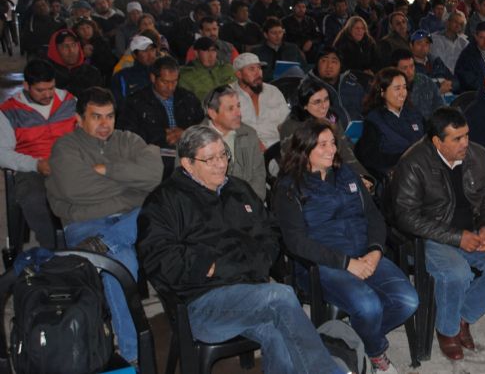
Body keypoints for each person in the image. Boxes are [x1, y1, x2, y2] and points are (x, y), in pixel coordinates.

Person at [137, 125, 345, 374]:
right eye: (209, 159)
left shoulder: (238, 189)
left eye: (223, 155)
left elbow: (270, 231)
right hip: (202, 303)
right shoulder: (165, 201)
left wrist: (260, 262)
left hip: (251, 289)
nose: (220, 164)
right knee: (281, 296)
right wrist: (211, 267)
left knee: (279, 333)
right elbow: (158, 258)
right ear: (188, 164)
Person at [274, 119, 418, 374]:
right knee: (368, 306)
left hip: (365, 253)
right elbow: (296, 242)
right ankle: (375, 353)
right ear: (304, 150)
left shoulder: (347, 174)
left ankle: (351, 339)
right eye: (322, 145)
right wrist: (346, 263)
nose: (331, 150)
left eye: (333, 143)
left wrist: (375, 250)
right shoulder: (289, 187)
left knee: (407, 300)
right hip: (323, 265)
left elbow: (374, 216)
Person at [392, 107, 485, 360]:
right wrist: (456, 237)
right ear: (437, 141)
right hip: (431, 237)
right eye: (457, 138)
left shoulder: (477, 154)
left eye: (466, 135)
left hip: (472, 230)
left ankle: (463, 317)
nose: (465, 143)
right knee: (456, 273)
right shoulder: (413, 162)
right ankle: (447, 331)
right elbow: (406, 217)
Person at [46, 87, 163, 362]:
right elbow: (75, 188)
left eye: (109, 116)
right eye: (96, 117)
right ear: (79, 118)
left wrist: (106, 170)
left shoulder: (128, 139)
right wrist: (130, 187)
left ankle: (106, 243)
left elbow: (154, 174)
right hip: (86, 224)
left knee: (158, 210)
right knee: (120, 262)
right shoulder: (66, 147)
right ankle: (134, 355)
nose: (105, 124)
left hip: (130, 220)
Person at [0, 60, 76, 250]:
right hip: (32, 169)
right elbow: (2, 153)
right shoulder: (9, 111)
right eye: (40, 90)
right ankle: (54, 250)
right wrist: (36, 164)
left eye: (51, 88)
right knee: (35, 199)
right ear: (26, 86)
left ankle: (81, 242)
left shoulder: (69, 102)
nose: (48, 94)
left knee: (91, 192)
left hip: (69, 163)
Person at [277, 78, 369, 181]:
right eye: (317, 102)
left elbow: (345, 151)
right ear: (305, 106)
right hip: (304, 179)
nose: (324, 106)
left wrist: (363, 176)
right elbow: (297, 166)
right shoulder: (291, 127)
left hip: (335, 170)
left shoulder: (331, 117)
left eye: (326, 99)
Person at [117, 56, 204, 149]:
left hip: (188, 148)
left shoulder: (187, 98)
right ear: (153, 78)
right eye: (165, 82)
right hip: (150, 152)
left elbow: (203, 125)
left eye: (174, 82)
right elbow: (126, 134)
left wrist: (186, 133)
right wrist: (161, 136)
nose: (170, 87)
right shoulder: (136, 101)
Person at [355, 68, 425, 178]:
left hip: (423, 168)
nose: (403, 93)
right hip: (397, 174)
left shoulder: (414, 114)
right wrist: (404, 157)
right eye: (397, 88)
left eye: (404, 87)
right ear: (382, 92)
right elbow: (370, 158)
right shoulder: (374, 120)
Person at [202, 85, 266, 200]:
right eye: (230, 109)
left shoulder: (249, 134)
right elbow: (189, 185)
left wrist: (250, 203)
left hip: (247, 204)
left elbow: (259, 175)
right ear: (213, 113)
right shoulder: (195, 140)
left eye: (238, 106)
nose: (238, 113)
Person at [230, 53, 289, 151]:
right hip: (244, 149)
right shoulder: (228, 95)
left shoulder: (273, 91)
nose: (258, 73)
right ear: (239, 74)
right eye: (252, 69)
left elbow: (286, 123)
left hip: (276, 147)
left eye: (259, 68)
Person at [304, 47, 366, 129]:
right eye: (324, 61)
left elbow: (367, 109)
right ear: (317, 64)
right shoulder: (308, 87)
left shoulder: (353, 84)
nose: (329, 66)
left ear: (340, 65)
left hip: (361, 133)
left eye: (334, 62)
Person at [46, 28, 104, 97]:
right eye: (65, 46)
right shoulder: (47, 74)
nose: (71, 50)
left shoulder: (92, 73)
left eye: (74, 45)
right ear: (55, 50)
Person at [179, 37, 237, 102]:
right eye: (206, 51)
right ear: (196, 53)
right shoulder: (187, 75)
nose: (211, 55)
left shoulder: (227, 69)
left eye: (213, 50)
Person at [394, 48, 444, 119]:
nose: (410, 71)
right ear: (395, 69)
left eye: (412, 66)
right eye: (404, 68)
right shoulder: (390, 89)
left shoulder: (425, 81)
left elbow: (440, 106)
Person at [111, 35, 157, 108]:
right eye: (145, 51)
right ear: (134, 55)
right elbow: (119, 105)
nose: (150, 54)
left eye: (152, 49)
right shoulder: (122, 76)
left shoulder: (163, 72)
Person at [430, 11, 469, 75]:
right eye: (455, 22)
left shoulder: (464, 42)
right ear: (448, 22)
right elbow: (437, 62)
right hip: (441, 76)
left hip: (460, 77)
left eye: (461, 24)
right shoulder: (435, 38)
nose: (458, 26)